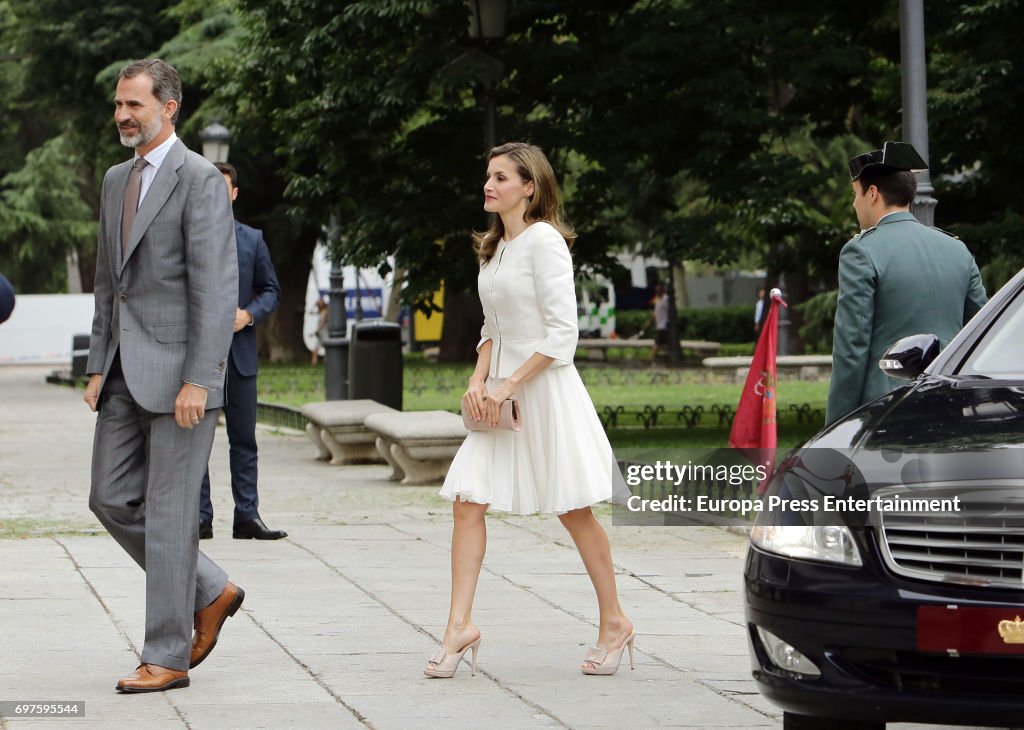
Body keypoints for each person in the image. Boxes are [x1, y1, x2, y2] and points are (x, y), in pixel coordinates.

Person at [428, 142, 634, 679]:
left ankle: (614, 621)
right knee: (468, 501)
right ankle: (459, 626)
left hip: (544, 392)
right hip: (499, 396)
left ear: (530, 187)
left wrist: (509, 384)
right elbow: (492, 330)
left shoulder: (545, 243)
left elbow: (563, 334)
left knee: (573, 510)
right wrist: (479, 380)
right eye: (488, 176)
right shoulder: (494, 248)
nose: (489, 185)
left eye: (500, 177)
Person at [84, 59, 244, 694]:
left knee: (174, 514)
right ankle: (210, 587)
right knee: (109, 497)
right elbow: (107, 281)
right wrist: (97, 364)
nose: (124, 116)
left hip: (183, 377)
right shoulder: (115, 178)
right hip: (123, 370)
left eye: (135, 105)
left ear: (169, 108)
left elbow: (214, 286)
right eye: (119, 105)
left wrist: (201, 380)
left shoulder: (200, 178)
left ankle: (167, 656)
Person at [826, 141, 987, 425]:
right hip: (950, 403)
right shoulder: (956, 248)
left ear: (873, 194)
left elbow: (851, 349)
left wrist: (837, 426)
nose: (854, 204)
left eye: (856, 194)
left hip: (886, 410)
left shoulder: (861, 251)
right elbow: (982, 331)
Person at [197, 163, 284, 541]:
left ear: (234, 194)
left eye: (224, 188)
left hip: (240, 357)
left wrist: (248, 315)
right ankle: (199, 518)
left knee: (244, 440)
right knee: (195, 443)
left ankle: (247, 516)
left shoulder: (252, 239)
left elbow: (271, 290)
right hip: (198, 359)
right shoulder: (189, 238)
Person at [649, 283, 669, 361]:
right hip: (659, 325)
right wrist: (651, 321)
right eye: (656, 290)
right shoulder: (657, 299)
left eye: (659, 290)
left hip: (664, 325)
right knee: (663, 343)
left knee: (658, 342)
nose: (657, 292)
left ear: (663, 290)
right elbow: (656, 312)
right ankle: (660, 357)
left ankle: (651, 358)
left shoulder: (666, 299)